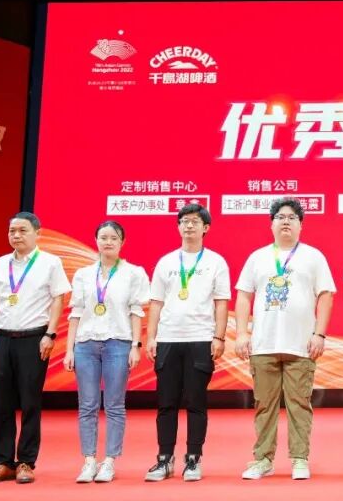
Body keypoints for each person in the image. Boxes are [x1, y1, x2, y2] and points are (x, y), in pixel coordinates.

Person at [235, 198, 336, 481]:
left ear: (301, 224)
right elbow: (243, 296)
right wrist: (241, 333)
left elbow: (325, 295)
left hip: (301, 345)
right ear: (271, 224)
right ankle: (263, 459)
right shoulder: (257, 257)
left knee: (299, 404)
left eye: (292, 217)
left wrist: (319, 333)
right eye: (280, 217)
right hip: (263, 344)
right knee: (264, 405)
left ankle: (299, 459)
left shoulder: (313, 257)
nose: (286, 222)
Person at [0, 212, 71, 485]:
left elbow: (58, 299)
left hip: (34, 339)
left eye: (22, 230)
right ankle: (3, 462)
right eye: (12, 231)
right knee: (0, 403)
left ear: (37, 233)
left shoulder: (50, 262)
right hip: (3, 339)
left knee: (30, 402)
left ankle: (26, 462)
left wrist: (50, 333)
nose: (16, 235)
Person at [144, 204, 231, 482]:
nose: (189, 226)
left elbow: (221, 303)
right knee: (166, 403)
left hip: (200, 339)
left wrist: (218, 337)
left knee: (196, 402)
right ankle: (164, 458)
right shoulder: (166, 262)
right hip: (168, 339)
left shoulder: (216, 262)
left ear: (206, 228)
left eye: (194, 221)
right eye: (184, 221)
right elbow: (156, 303)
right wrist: (151, 337)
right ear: (178, 226)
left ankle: (193, 458)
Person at [63, 221, 149, 483]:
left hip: (118, 343)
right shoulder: (83, 274)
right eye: (103, 237)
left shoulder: (133, 273)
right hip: (85, 344)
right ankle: (89, 460)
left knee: (114, 405)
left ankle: (109, 461)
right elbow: (76, 313)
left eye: (113, 238)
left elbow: (136, 311)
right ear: (96, 241)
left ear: (122, 242)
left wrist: (135, 346)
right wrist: (69, 350)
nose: (108, 242)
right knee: (87, 405)